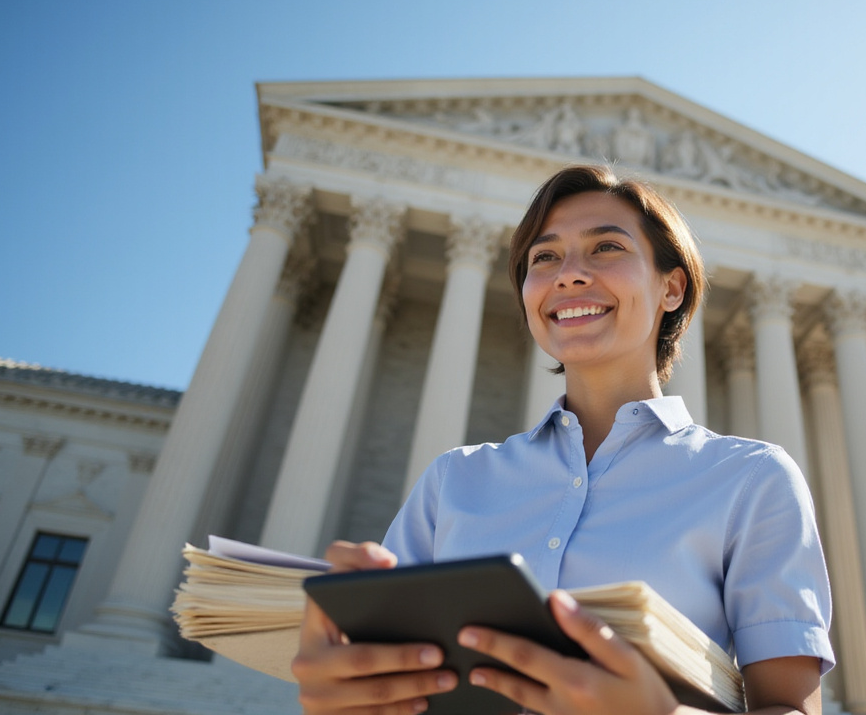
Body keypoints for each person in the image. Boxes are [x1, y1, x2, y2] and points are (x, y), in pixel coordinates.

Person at [293, 165, 834, 715]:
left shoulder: (751, 479)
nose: (569, 274)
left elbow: (791, 706)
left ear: (671, 287)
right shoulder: (454, 481)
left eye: (605, 248)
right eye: (544, 257)